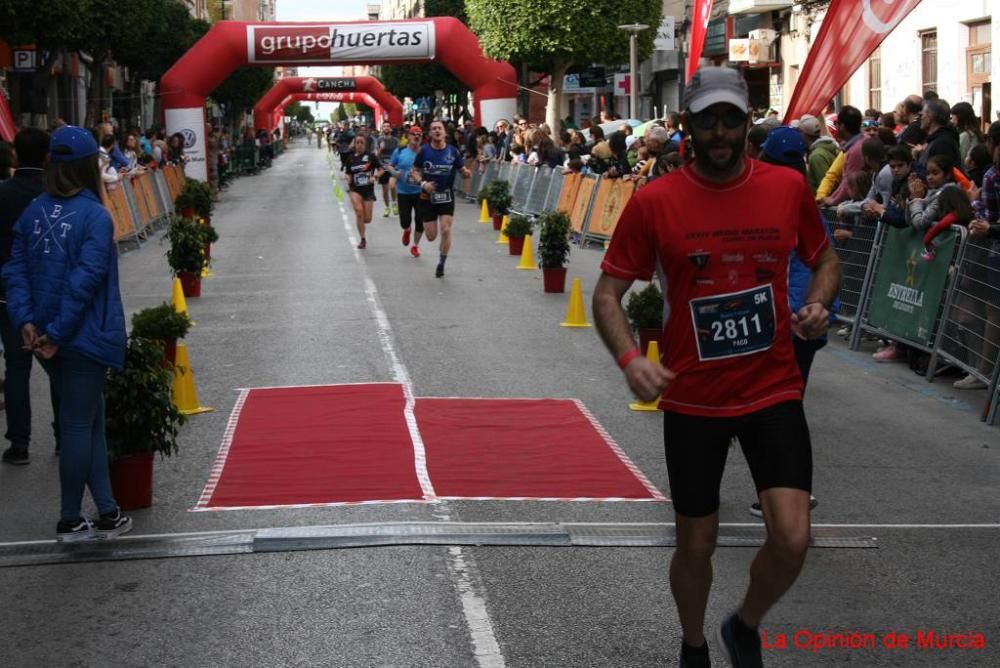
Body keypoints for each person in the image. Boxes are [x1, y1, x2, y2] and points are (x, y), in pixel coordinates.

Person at [591, 67, 839, 668]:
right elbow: (606, 295)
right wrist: (630, 359)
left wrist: (817, 305)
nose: (721, 131)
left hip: (772, 387)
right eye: (708, 120)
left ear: (747, 121)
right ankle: (694, 644)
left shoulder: (786, 188)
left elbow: (824, 257)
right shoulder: (655, 202)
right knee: (695, 544)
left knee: (793, 536)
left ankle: (745, 624)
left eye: (732, 118)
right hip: (694, 397)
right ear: (688, 126)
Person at [2, 126, 131, 542]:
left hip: (42, 335)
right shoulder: (95, 216)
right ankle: (71, 517)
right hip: (82, 336)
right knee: (79, 425)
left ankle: (108, 510)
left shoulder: (34, 210)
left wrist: (27, 322)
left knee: (89, 422)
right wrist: (55, 331)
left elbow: (14, 270)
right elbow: (86, 280)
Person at [0, 127, 61, 465]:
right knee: (56, 363)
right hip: (48, 291)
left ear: (15, 154)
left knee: (17, 368)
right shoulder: (53, 192)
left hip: (9, 294)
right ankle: (63, 436)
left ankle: (20, 442)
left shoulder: (4, 193)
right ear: (47, 155)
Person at [413, 119, 471, 278]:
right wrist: (423, 184)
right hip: (427, 197)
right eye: (434, 129)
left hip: (446, 196)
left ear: (444, 132)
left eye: (439, 128)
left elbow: (462, 169)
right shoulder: (424, 151)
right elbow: (414, 171)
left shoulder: (453, 151)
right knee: (431, 236)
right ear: (430, 133)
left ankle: (441, 263)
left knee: (446, 229)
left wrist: (466, 173)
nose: (437, 131)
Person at [389, 125, 426, 257]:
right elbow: (390, 165)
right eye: (413, 134)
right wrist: (394, 173)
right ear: (408, 136)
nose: (416, 137)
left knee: (420, 221)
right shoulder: (400, 151)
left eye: (419, 135)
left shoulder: (424, 153)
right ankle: (407, 229)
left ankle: (415, 246)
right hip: (403, 192)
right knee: (405, 221)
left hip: (420, 192)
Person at [345, 135, 381, 250]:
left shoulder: (371, 157)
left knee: (367, 219)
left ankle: (361, 223)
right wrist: (348, 178)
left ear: (365, 145)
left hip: (368, 190)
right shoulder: (350, 158)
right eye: (357, 142)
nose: (359, 145)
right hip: (355, 189)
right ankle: (362, 239)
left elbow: (381, 169)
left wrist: (375, 177)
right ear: (354, 144)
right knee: (359, 212)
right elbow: (348, 173)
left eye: (361, 142)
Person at [376, 124, 399, 218]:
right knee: (385, 189)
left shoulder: (395, 140)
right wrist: (381, 149)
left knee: (392, 186)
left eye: (387, 126)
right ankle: (386, 207)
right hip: (383, 167)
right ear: (382, 129)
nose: (386, 128)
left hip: (393, 167)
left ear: (390, 128)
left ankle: (394, 204)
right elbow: (376, 155)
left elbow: (399, 153)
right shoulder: (379, 140)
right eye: (384, 126)